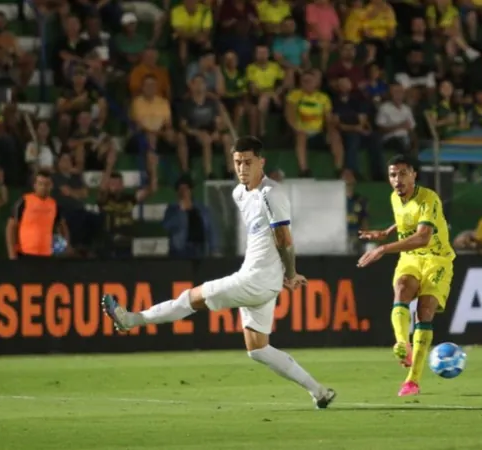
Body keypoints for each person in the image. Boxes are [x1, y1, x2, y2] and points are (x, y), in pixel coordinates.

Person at [101, 136, 337, 409]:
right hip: (261, 279)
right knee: (258, 349)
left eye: (248, 162)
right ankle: (318, 391)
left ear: (262, 162)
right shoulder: (239, 193)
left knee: (191, 298)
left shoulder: (272, 194)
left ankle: (130, 320)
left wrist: (292, 273)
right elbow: (265, 238)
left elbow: (283, 239)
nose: (242, 168)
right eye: (237, 162)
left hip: (255, 280)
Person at [356, 154, 454, 397]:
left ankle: (413, 380)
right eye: (392, 175)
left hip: (437, 259)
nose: (397, 180)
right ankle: (403, 343)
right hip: (410, 258)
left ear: (413, 175)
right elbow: (405, 221)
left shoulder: (428, 198)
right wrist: (386, 233)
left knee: (424, 311)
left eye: (402, 173)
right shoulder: (394, 198)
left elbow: (422, 236)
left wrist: (382, 249)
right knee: (401, 287)